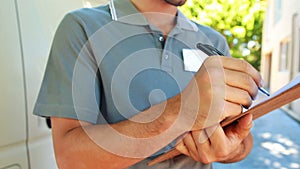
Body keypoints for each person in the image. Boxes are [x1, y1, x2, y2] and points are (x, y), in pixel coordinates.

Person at [34, 0, 262, 168]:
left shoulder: (213, 41)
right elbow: (70, 159)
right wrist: (181, 110)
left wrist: (230, 150)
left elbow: (244, 141)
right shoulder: (81, 27)